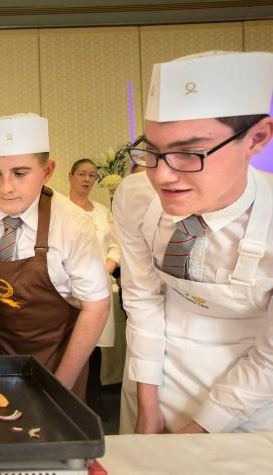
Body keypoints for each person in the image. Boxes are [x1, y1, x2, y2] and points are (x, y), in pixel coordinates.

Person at [114, 50, 273, 434]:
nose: (163, 176)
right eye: (152, 151)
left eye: (189, 152)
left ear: (257, 138)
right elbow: (143, 300)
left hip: (250, 399)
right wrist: (147, 407)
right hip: (153, 377)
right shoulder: (136, 198)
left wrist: (197, 431)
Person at [0, 113, 110, 398]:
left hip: (56, 358)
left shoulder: (72, 224)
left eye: (20, 173)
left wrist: (59, 388)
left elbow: (96, 307)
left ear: (47, 171)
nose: (5, 187)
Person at [67, 158, 121, 411]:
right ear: (70, 176)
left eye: (92, 175)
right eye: (81, 174)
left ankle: (93, 401)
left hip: (97, 288)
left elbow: (115, 245)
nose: (87, 179)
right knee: (67, 342)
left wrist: (107, 267)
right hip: (65, 289)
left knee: (94, 347)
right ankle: (67, 399)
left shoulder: (101, 212)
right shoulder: (59, 209)